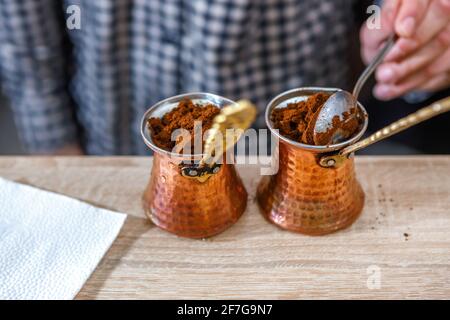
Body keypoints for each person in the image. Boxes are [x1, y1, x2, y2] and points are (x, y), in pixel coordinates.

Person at [0, 0, 449, 155]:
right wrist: (54, 145)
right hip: (111, 132)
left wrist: (405, 26)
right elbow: (22, 23)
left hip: (290, 138)